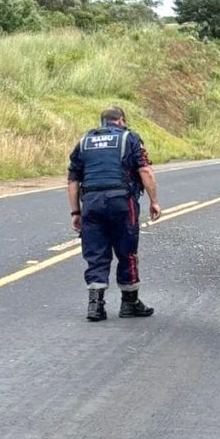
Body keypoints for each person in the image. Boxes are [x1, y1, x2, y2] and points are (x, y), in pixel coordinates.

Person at [67, 106, 161, 321]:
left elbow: (72, 181)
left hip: (91, 202)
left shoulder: (84, 142)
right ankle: (129, 303)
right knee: (126, 251)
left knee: (95, 253)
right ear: (120, 121)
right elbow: (145, 170)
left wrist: (75, 212)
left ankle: (95, 306)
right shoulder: (130, 138)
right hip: (121, 201)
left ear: (103, 122)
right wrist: (154, 201)